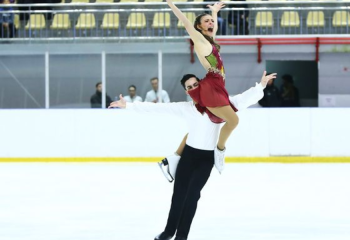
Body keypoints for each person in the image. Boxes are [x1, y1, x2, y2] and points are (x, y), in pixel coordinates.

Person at [109, 71, 277, 240]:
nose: (193, 88)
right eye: (189, 87)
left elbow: (242, 99)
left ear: (202, 85)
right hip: (188, 156)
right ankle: (168, 232)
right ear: (186, 92)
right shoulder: (186, 108)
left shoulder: (221, 105)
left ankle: (181, 236)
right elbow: (158, 108)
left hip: (206, 160)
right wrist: (128, 105)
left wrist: (261, 85)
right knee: (178, 195)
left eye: (195, 84)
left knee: (192, 196)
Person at [166, 0, 238, 169]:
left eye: (211, 21)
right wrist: (171, 4)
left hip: (217, 85)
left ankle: (175, 157)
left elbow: (215, 29)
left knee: (202, 125)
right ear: (198, 27)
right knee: (233, 121)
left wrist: (214, 12)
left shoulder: (210, 41)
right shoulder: (199, 40)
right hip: (211, 87)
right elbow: (185, 21)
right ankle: (219, 150)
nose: (211, 23)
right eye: (206, 21)